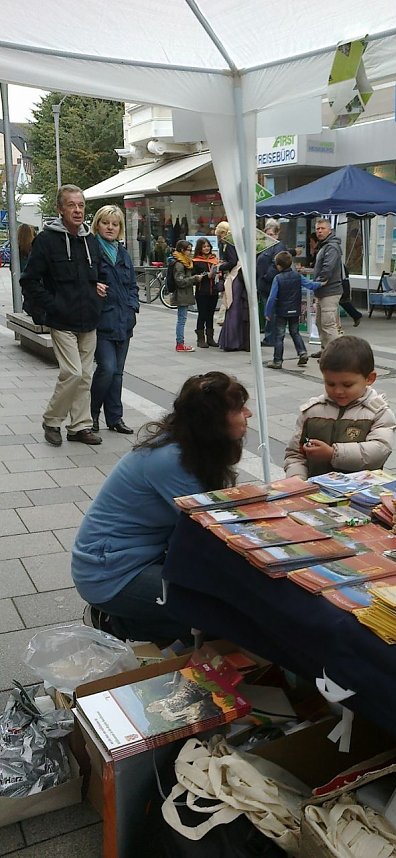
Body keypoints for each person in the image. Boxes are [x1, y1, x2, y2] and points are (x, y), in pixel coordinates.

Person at [73, 371, 252, 643]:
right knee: (220, 607)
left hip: (136, 558)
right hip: (111, 574)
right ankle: (118, 623)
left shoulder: (189, 447)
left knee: (223, 598)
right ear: (213, 420)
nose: (248, 414)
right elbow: (214, 529)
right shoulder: (172, 459)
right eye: (238, 409)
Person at [21, 184, 104, 447]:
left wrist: (100, 288)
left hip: (89, 317)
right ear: (60, 209)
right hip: (62, 319)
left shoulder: (90, 239)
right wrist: (52, 305)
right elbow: (29, 280)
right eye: (71, 205)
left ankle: (79, 426)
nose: (78, 210)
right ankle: (52, 420)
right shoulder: (47, 240)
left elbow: (100, 273)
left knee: (85, 376)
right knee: (73, 373)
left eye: (81, 205)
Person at [284, 335, 396, 478]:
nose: (338, 391)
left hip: (360, 489)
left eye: (347, 385)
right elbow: (295, 454)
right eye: (330, 384)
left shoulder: (378, 412)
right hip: (314, 489)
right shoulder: (312, 411)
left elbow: (379, 451)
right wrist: (297, 479)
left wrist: (333, 454)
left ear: (369, 378)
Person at [89, 205, 139, 434]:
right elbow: (82, 280)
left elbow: (132, 285)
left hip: (123, 321)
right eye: (105, 223)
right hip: (102, 321)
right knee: (107, 369)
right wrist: (92, 287)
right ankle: (92, 413)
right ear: (97, 224)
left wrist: (132, 306)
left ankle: (115, 418)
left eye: (115, 224)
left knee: (118, 373)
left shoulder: (123, 253)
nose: (110, 227)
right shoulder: (91, 250)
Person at [264, 250, 320, 370]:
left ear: (279, 266)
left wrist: (267, 312)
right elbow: (310, 285)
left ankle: (277, 361)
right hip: (295, 309)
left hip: (281, 311)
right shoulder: (297, 276)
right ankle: (302, 352)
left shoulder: (278, 278)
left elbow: (272, 297)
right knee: (295, 332)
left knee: (279, 336)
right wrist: (322, 283)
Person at [311, 218, 343, 357]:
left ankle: (335, 355)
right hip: (322, 292)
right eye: (317, 229)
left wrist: (317, 282)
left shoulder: (332, 247)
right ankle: (326, 350)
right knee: (319, 323)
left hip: (330, 291)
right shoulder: (324, 245)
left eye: (322, 228)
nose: (319, 231)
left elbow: (327, 268)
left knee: (328, 324)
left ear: (330, 230)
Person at [216, 221, 250, 352]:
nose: (219, 237)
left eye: (219, 235)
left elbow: (232, 262)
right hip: (240, 276)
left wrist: (220, 266)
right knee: (238, 308)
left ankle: (232, 341)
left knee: (232, 307)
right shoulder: (238, 242)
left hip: (235, 276)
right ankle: (239, 341)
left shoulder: (230, 243)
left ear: (223, 232)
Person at [256, 218, 287, 348]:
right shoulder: (265, 246)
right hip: (264, 285)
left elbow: (276, 265)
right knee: (269, 311)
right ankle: (270, 336)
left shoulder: (278, 246)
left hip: (271, 284)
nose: (269, 237)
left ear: (277, 234)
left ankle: (271, 338)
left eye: (272, 234)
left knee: (272, 312)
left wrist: (266, 277)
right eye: (267, 234)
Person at [172, 239, 205, 353]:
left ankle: (180, 343)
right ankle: (180, 343)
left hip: (184, 294)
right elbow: (180, 281)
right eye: (189, 250)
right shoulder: (179, 264)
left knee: (182, 319)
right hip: (182, 294)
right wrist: (194, 278)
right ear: (182, 250)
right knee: (181, 320)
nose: (190, 252)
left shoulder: (185, 262)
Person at [192, 237, 219, 348]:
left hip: (213, 292)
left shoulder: (214, 259)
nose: (206, 248)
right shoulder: (195, 261)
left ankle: (210, 338)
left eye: (208, 246)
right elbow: (193, 277)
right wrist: (206, 275)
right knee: (202, 314)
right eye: (204, 247)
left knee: (210, 315)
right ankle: (200, 339)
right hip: (202, 292)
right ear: (200, 248)